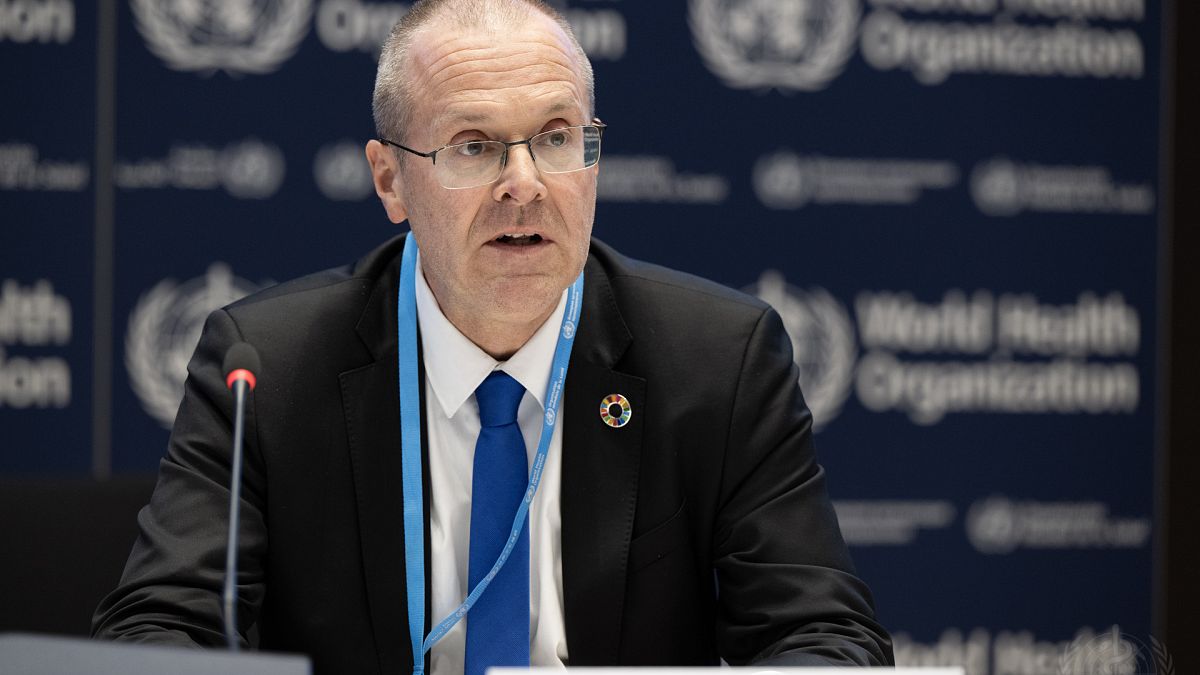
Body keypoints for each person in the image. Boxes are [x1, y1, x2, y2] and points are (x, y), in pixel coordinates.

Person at [93, 1, 893, 672]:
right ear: (390, 180)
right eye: (474, 147)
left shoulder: (719, 360)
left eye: (555, 137)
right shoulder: (266, 369)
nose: (525, 184)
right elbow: (156, 628)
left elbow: (824, 635)